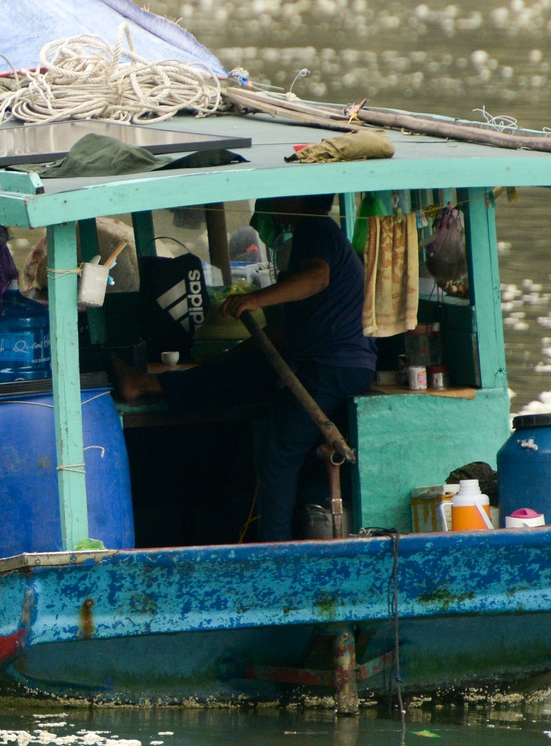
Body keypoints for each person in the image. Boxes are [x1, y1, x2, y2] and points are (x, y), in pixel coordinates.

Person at [111, 194, 374, 541]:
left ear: (299, 199)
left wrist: (255, 299)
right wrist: (233, 356)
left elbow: (317, 279)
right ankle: (148, 385)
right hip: (328, 363)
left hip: (327, 367)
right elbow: (285, 331)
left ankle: (274, 551)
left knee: (279, 457)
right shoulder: (315, 237)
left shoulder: (315, 228)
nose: (268, 202)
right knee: (235, 376)